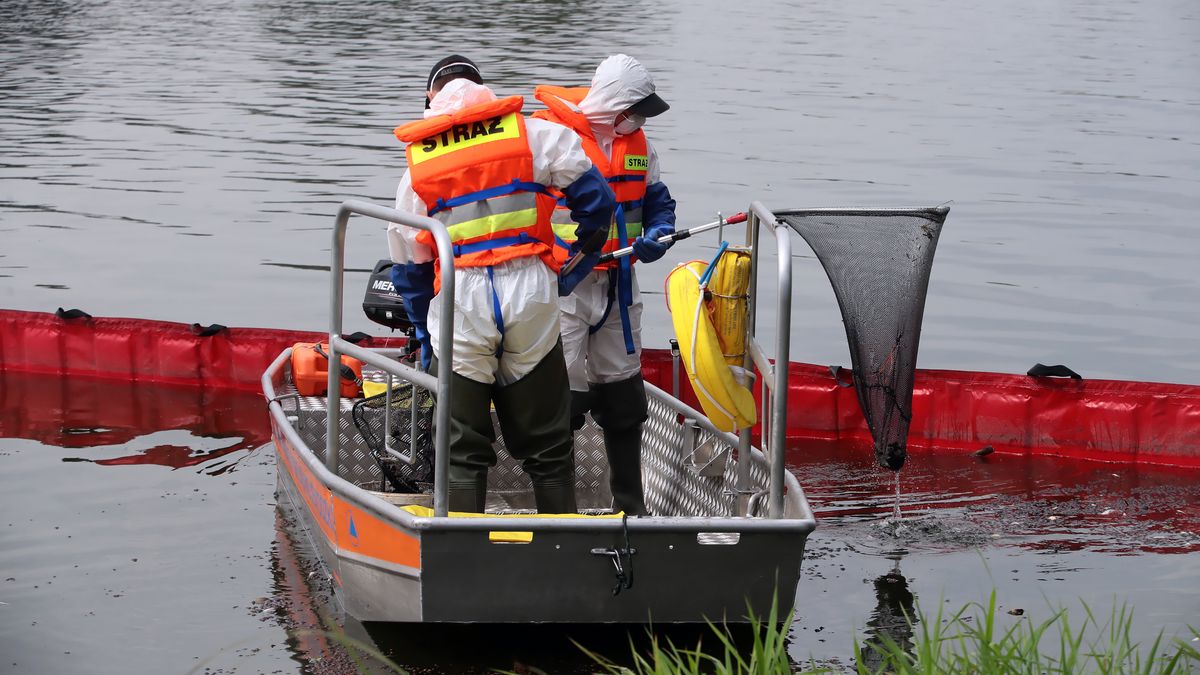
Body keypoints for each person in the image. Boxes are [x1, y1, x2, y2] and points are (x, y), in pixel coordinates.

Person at [386, 55, 616, 514]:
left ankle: (462, 544)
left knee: (460, 447)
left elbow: (411, 266)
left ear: (431, 98)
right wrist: (572, 269)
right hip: (531, 292)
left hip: (460, 299)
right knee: (548, 445)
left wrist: (424, 333)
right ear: (484, 88)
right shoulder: (538, 135)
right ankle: (561, 541)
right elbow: (598, 205)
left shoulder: (417, 168)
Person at [532, 54, 677, 516]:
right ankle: (558, 512)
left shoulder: (640, 145)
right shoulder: (546, 137)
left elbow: (657, 201)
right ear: (614, 103)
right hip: (564, 283)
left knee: (623, 395)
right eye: (634, 110)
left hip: (619, 283)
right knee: (560, 395)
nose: (639, 120)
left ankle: (631, 509)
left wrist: (659, 233)